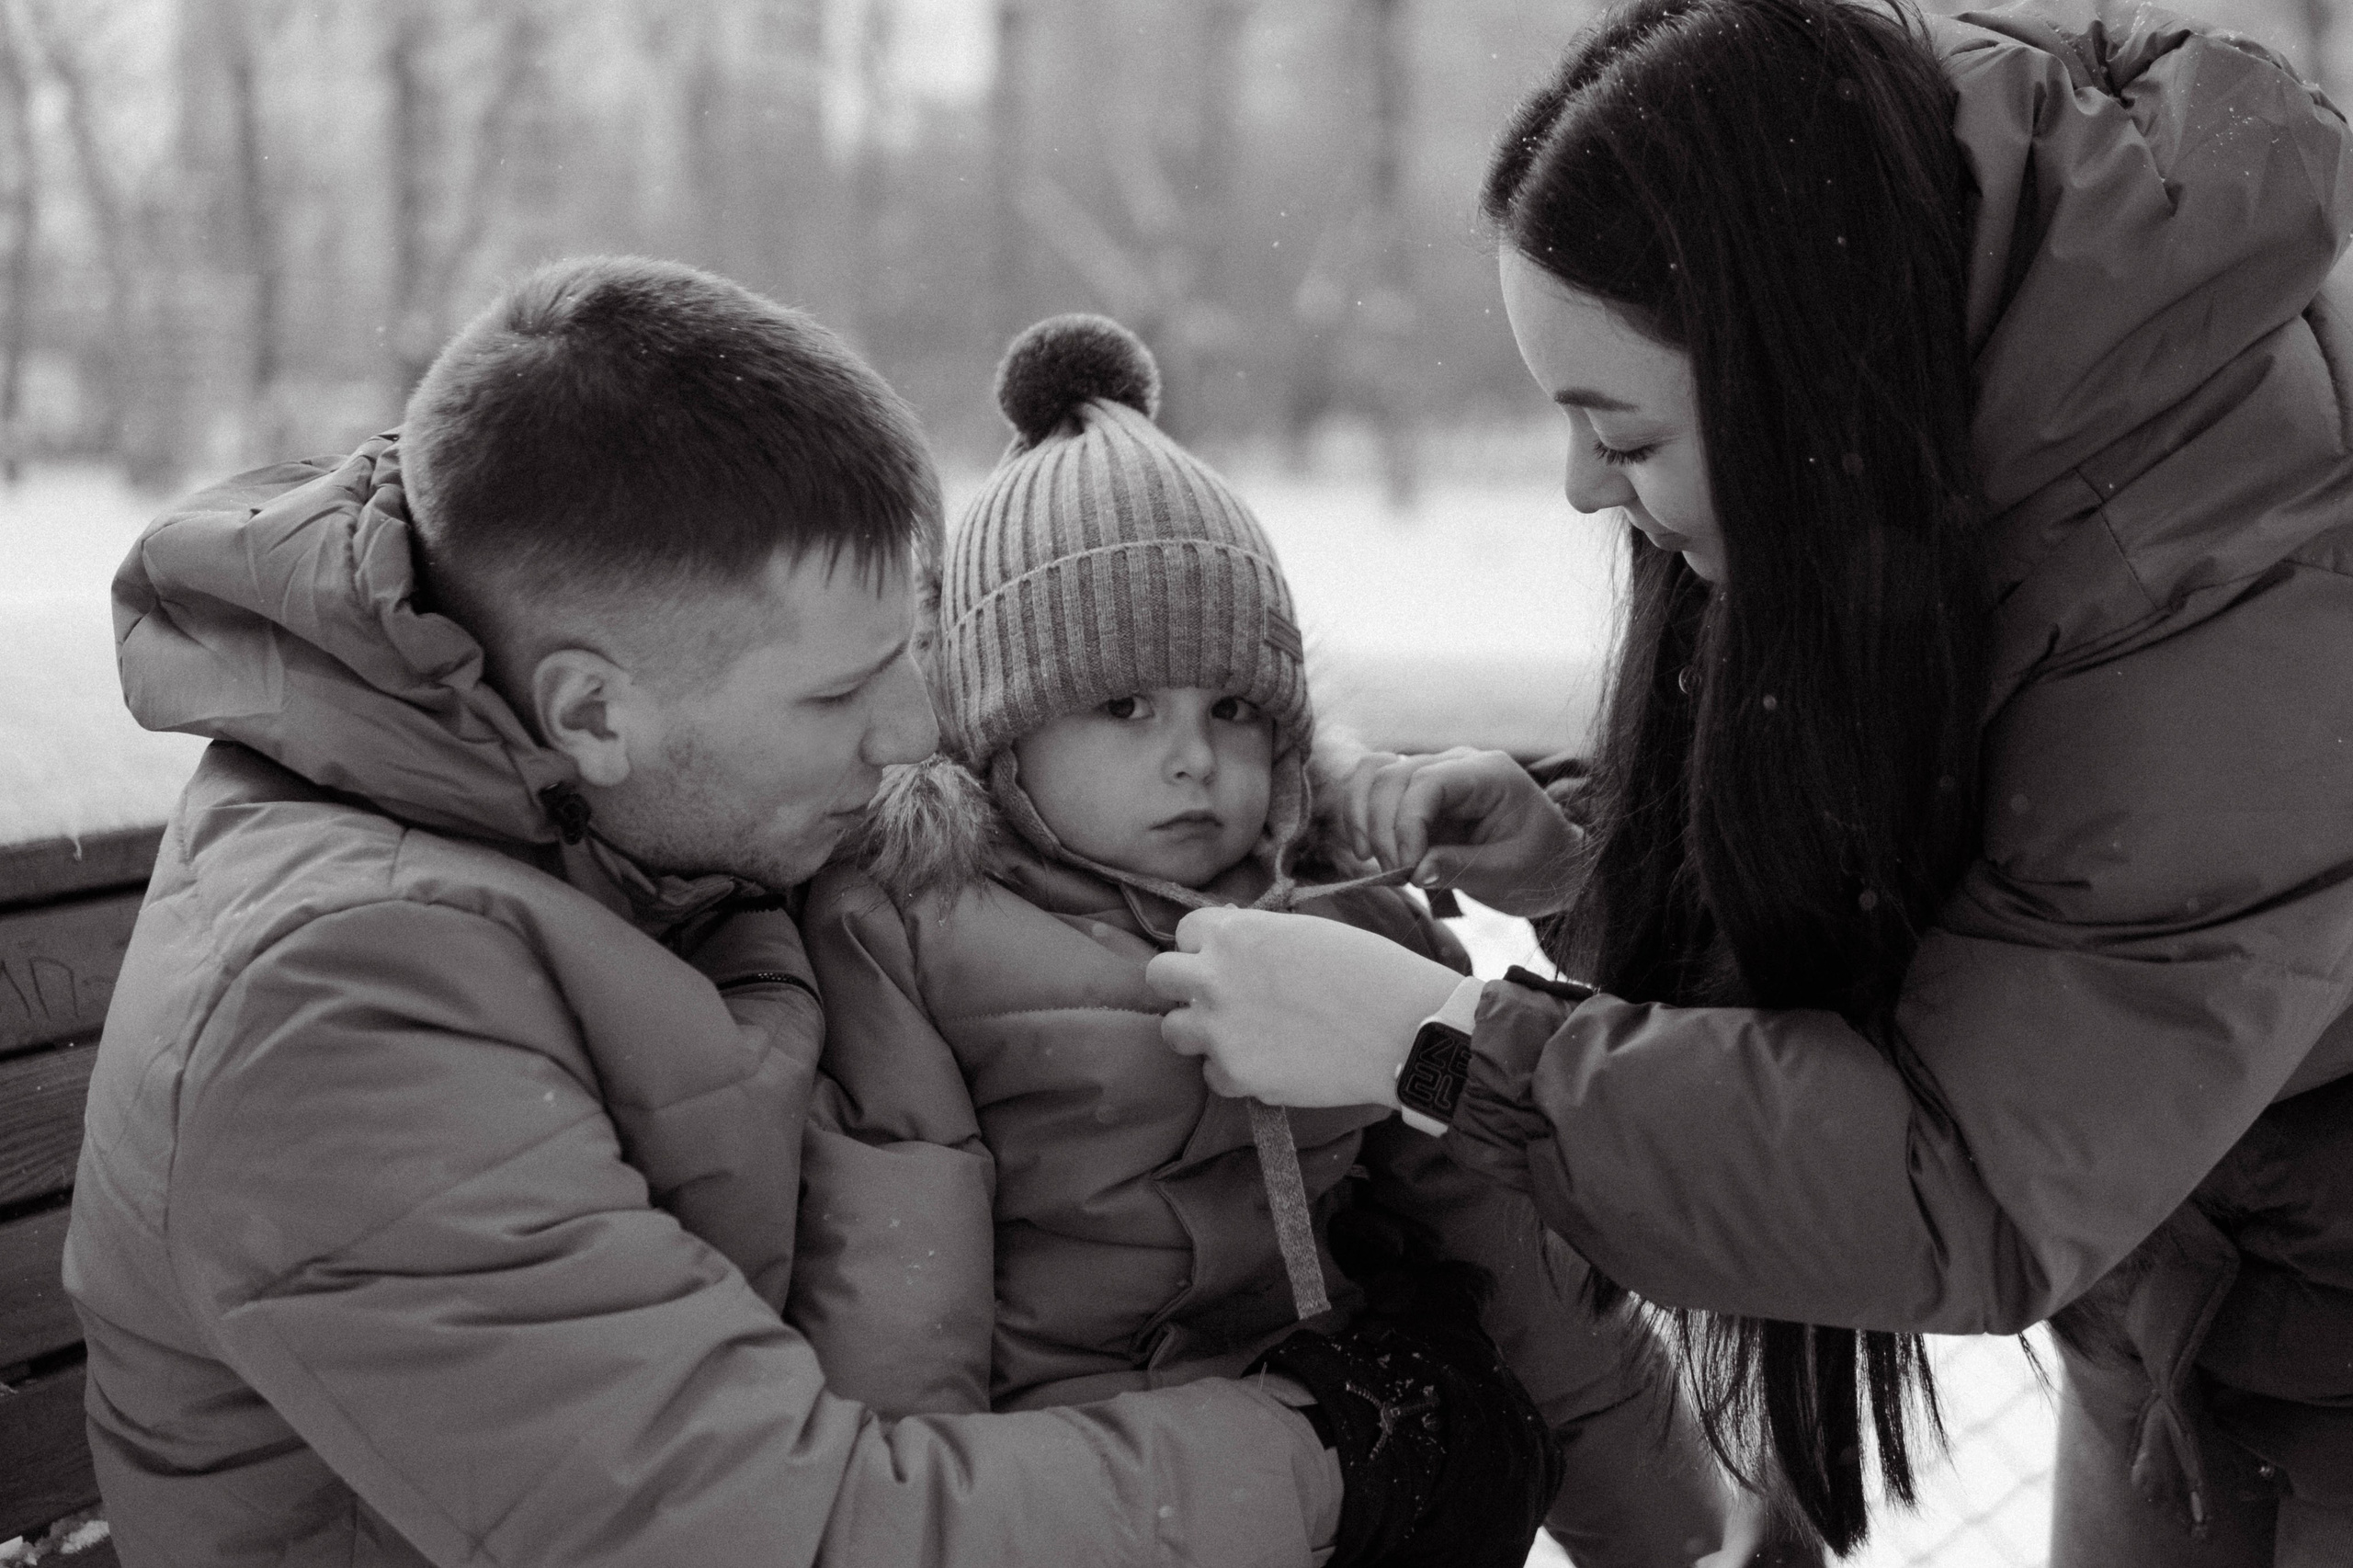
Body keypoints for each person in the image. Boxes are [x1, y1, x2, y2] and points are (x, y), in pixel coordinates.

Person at [64, 256, 1552, 1568]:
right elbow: (794, 1533)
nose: (918, 728)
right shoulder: (336, 1020)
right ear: (594, 710)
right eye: (843, 690)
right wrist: (1336, 1454)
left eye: (908, 651)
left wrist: (1331, 790)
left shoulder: (586, 768)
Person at [1142, 2, 2353, 1564]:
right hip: (2180, 1271)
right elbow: (1995, 899)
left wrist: (1430, 1042)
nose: (1582, 489)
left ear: (1803, 370)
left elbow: (1968, 1174)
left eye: (1620, 432)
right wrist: (1596, 864)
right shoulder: (1963, 388)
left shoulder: (2220, 583)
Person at [788, 312, 1745, 1568]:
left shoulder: (1353, 916)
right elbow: (897, 1303)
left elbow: (1520, 1262)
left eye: (1234, 706)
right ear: (1001, 729)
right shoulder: (915, 935)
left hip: (1363, 1485)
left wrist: (1683, 1539)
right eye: (1122, 706)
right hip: (1086, 1505)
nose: (1194, 754)